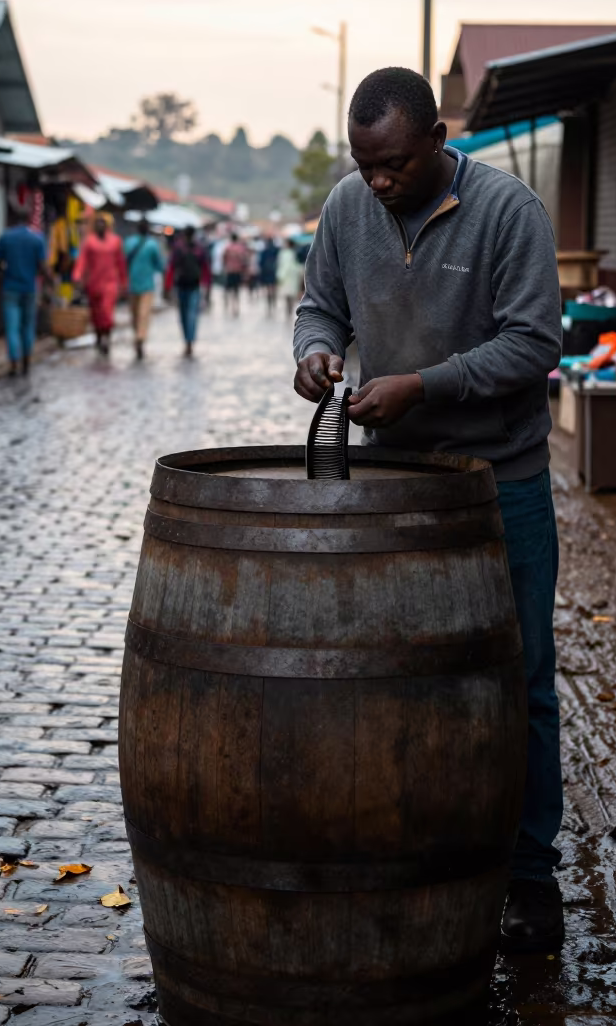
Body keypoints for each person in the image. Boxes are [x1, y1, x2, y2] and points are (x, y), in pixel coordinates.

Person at [293, 67, 564, 955]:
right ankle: (412, 840)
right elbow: (318, 305)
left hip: (501, 478)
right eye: (365, 164)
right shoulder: (346, 207)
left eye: (396, 165)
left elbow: (534, 342)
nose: (379, 183)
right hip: (395, 482)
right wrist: (318, 351)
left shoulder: (509, 211)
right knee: (396, 677)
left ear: (440, 138)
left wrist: (427, 385)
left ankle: (528, 875)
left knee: (517, 679)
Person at [0, 206, 47, 377]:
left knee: (12, 327)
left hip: (10, 288)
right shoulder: (37, 239)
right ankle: (27, 362)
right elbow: (43, 266)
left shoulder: (5, 237)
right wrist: (49, 283)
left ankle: (13, 364)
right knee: (28, 326)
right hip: (30, 288)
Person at [72, 212, 127, 355]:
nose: (101, 226)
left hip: (110, 283)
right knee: (96, 313)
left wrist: (123, 282)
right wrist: (77, 276)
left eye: (103, 223)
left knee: (106, 311)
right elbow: (82, 261)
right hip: (93, 283)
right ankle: (99, 336)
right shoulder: (89, 242)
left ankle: (106, 337)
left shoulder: (115, 241)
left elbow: (120, 263)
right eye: (98, 223)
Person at [123, 219, 164, 359]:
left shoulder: (128, 243)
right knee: (144, 314)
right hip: (147, 286)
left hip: (132, 284)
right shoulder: (152, 245)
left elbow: (123, 262)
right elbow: (160, 265)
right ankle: (140, 337)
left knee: (135, 314)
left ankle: (138, 335)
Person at [169, 226, 209, 356]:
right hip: (191, 286)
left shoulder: (179, 248)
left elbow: (171, 267)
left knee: (186, 316)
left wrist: (168, 286)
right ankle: (189, 341)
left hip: (186, 286)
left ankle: (188, 341)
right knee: (189, 315)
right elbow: (206, 268)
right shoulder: (198, 248)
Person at [277, 237, 305, 318]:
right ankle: (289, 310)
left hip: (286, 277)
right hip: (293, 276)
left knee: (287, 294)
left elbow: (283, 266)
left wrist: (280, 276)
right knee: (291, 294)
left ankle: (288, 310)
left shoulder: (284, 253)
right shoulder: (295, 253)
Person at [222, 232, 249, 317]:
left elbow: (223, 258)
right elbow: (244, 260)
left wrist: (226, 266)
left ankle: (231, 305)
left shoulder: (228, 247)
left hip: (230, 271)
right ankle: (236, 307)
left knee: (230, 289)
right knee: (236, 290)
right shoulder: (240, 248)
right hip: (237, 271)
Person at [259, 237, 280, 314]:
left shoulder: (264, 251)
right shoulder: (276, 250)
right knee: (273, 288)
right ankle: (273, 302)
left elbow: (260, 263)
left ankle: (269, 304)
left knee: (268, 289)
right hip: (274, 271)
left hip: (266, 271)